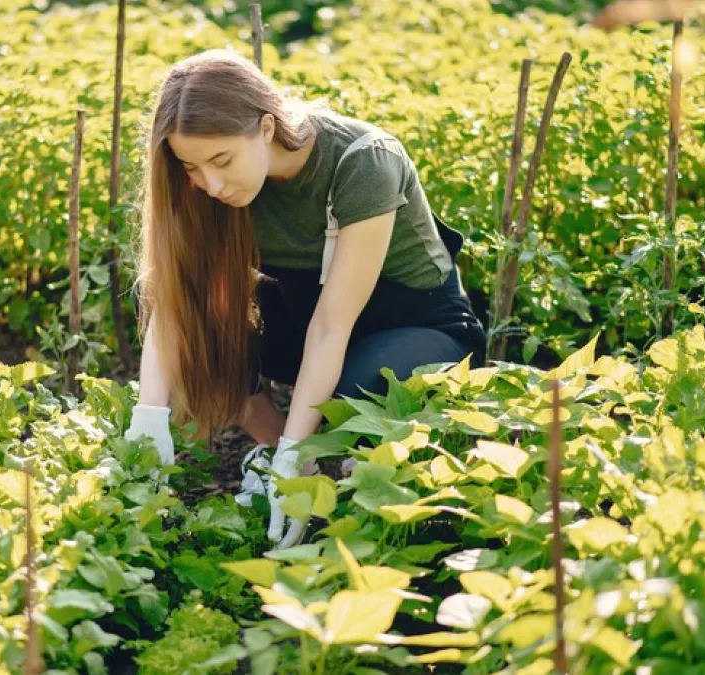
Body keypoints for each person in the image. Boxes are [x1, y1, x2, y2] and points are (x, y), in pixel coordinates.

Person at [124, 49, 487, 549]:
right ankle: (275, 455)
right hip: (305, 311)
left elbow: (331, 327)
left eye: (221, 160)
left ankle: (323, 466)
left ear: (267, 128)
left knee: (358, 398)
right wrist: (149, 416)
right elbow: (176, 299)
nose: (209, 183)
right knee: (176, 298)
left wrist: (301, 448)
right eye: (191, 166)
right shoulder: (212, 189)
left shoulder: (362, 162)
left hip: (411, 325)